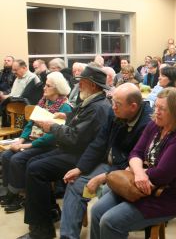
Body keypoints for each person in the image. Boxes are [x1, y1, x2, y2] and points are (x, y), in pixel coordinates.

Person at [90, 87, 176, 239]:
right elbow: (136, 153)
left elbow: (162, 175)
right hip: (141, 184)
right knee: (97, 211)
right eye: (156, 106)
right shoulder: (156, 124)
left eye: (163, 109)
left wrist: (135, 170)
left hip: (167, 196)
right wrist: (139, 172)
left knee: (110, 221)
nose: (157, 112)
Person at [18, 65, 111, 239]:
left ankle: (42, 230)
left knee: (35, 169)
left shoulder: (98, 107)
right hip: (75, 151)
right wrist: (67, 116)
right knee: (31, 164)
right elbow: (81, 120)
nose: (79, 85)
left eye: (82, 82)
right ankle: (50, 212)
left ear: (92, 85)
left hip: (81, 156)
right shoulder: (95, 101)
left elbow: (75, 137)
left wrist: (52, 127)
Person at [59, 83, 152, 239]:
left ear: (133, 106)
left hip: (125, 171)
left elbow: (137, 160)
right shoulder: (114, 111)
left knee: (104, 203)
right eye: (112, 101)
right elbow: (99, 142)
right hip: (106, 163)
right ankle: (67, 237)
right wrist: (80, 168)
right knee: (74, 183)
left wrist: (105, 176)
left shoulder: (148, 123)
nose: (113, 107)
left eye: (118, 104)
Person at [0, 72, 72, 213]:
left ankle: (19, 196)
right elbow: (29, 125)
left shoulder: (65, 107)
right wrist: (20, 140)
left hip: (48, 146)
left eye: (48, 85)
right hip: (32, 140)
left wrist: (25, 145)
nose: (43, 87)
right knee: (6, 155)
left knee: (17, 159)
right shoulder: (43, 102)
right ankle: (12, 192)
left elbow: (52, 137)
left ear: (57, 89)